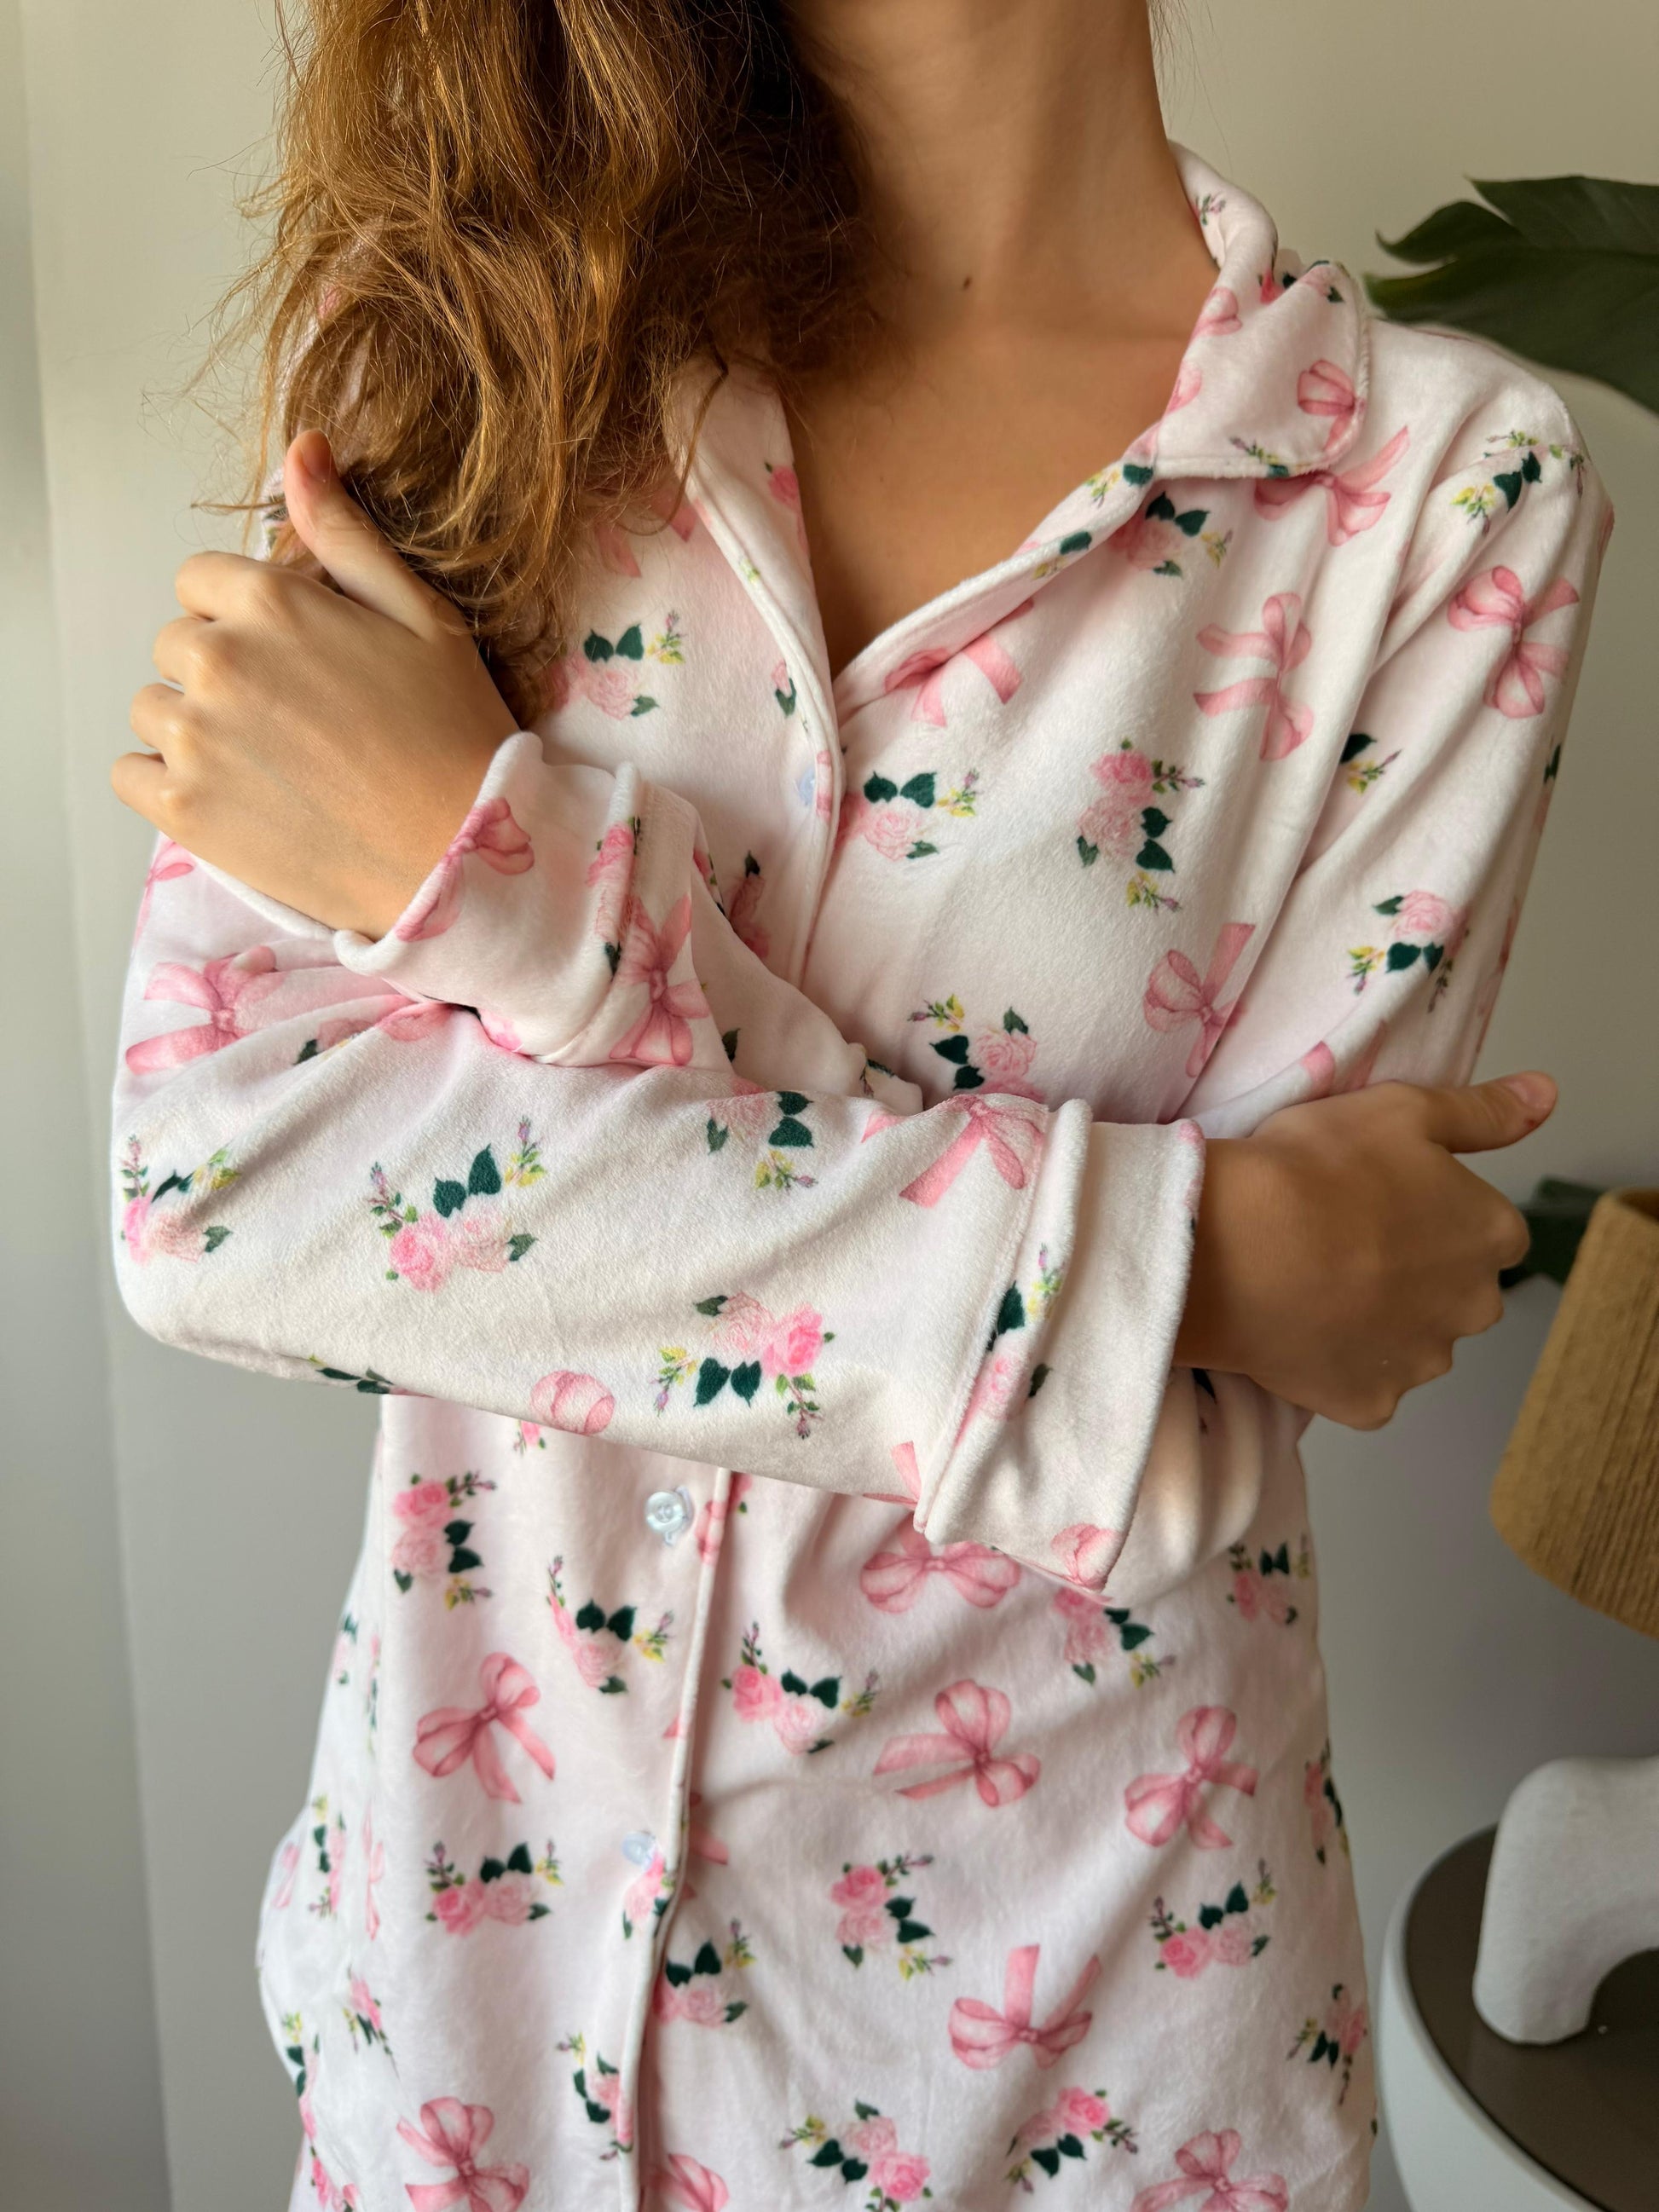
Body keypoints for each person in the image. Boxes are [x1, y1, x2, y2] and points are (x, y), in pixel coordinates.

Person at [108, 2, 1613, 2206]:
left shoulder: (1441, 500)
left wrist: (519, 900)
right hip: (459, 2034)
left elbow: (1189, 1427)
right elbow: (225, 1187)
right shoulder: (454, 345)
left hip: (1090, 2080)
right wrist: (1155, 1256)